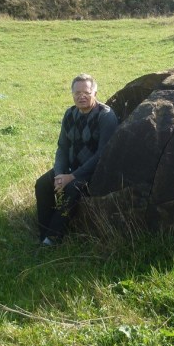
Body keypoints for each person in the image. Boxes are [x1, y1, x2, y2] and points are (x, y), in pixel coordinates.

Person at [35, 74, 118, 245]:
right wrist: (59, 175)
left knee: (72, 189)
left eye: (86, 92)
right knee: (42, 184)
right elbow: (62, 147)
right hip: (70, 169)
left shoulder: (106, 116)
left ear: (95, 92)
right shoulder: (70, 113)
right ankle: (43, 232)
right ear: (72, 94)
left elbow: (102, 154)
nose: (82, 96)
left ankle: (53, 237)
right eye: (77, 92)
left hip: (93, 171)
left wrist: (71, 177)